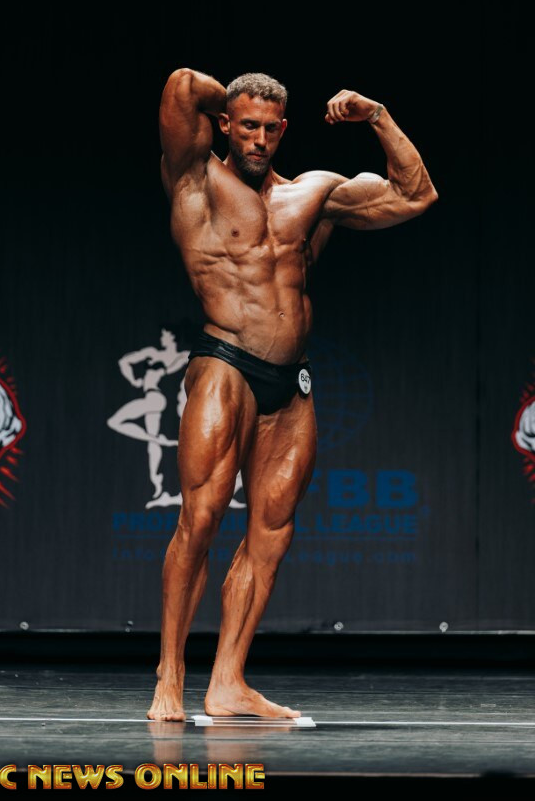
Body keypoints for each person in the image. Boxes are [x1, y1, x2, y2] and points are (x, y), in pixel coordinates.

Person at [147, 68, 438, 720]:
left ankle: (228, 682)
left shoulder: (313, 193)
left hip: (291, 381)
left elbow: (416, 195)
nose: (258, 139)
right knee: (201, 518)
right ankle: (171, 674)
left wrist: (377, 115)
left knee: (272, 532)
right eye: (247, 126)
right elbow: (182, 85)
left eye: (270, 129)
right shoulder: (195, 178)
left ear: (285, 131)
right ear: (225, 124)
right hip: (224, 361)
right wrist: (233, 98)